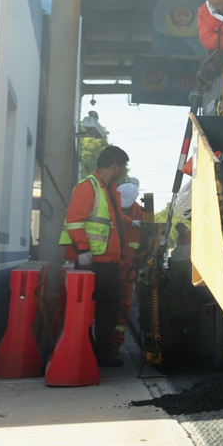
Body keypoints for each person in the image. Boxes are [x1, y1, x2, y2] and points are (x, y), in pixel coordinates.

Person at [59, 145, 130, 367]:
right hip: (92, 263)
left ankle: (101, 351)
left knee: (108, 308)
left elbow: (115, 221)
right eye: (123, 167)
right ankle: (90, 351)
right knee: (90, 309)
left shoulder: (109, 189)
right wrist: (84, 250)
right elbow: (74, 222)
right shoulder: (88, 187)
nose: (123, 171)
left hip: (107, 263)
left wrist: (136, 223)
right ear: (115, 165)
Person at [112, 181, 145, 353]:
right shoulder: (111, 206)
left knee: (123, 306)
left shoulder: (141, 213)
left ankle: (115, 343)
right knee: (104, 304)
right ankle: (99, 341)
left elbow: (145, 242)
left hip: (127, 268)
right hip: (108, 265)